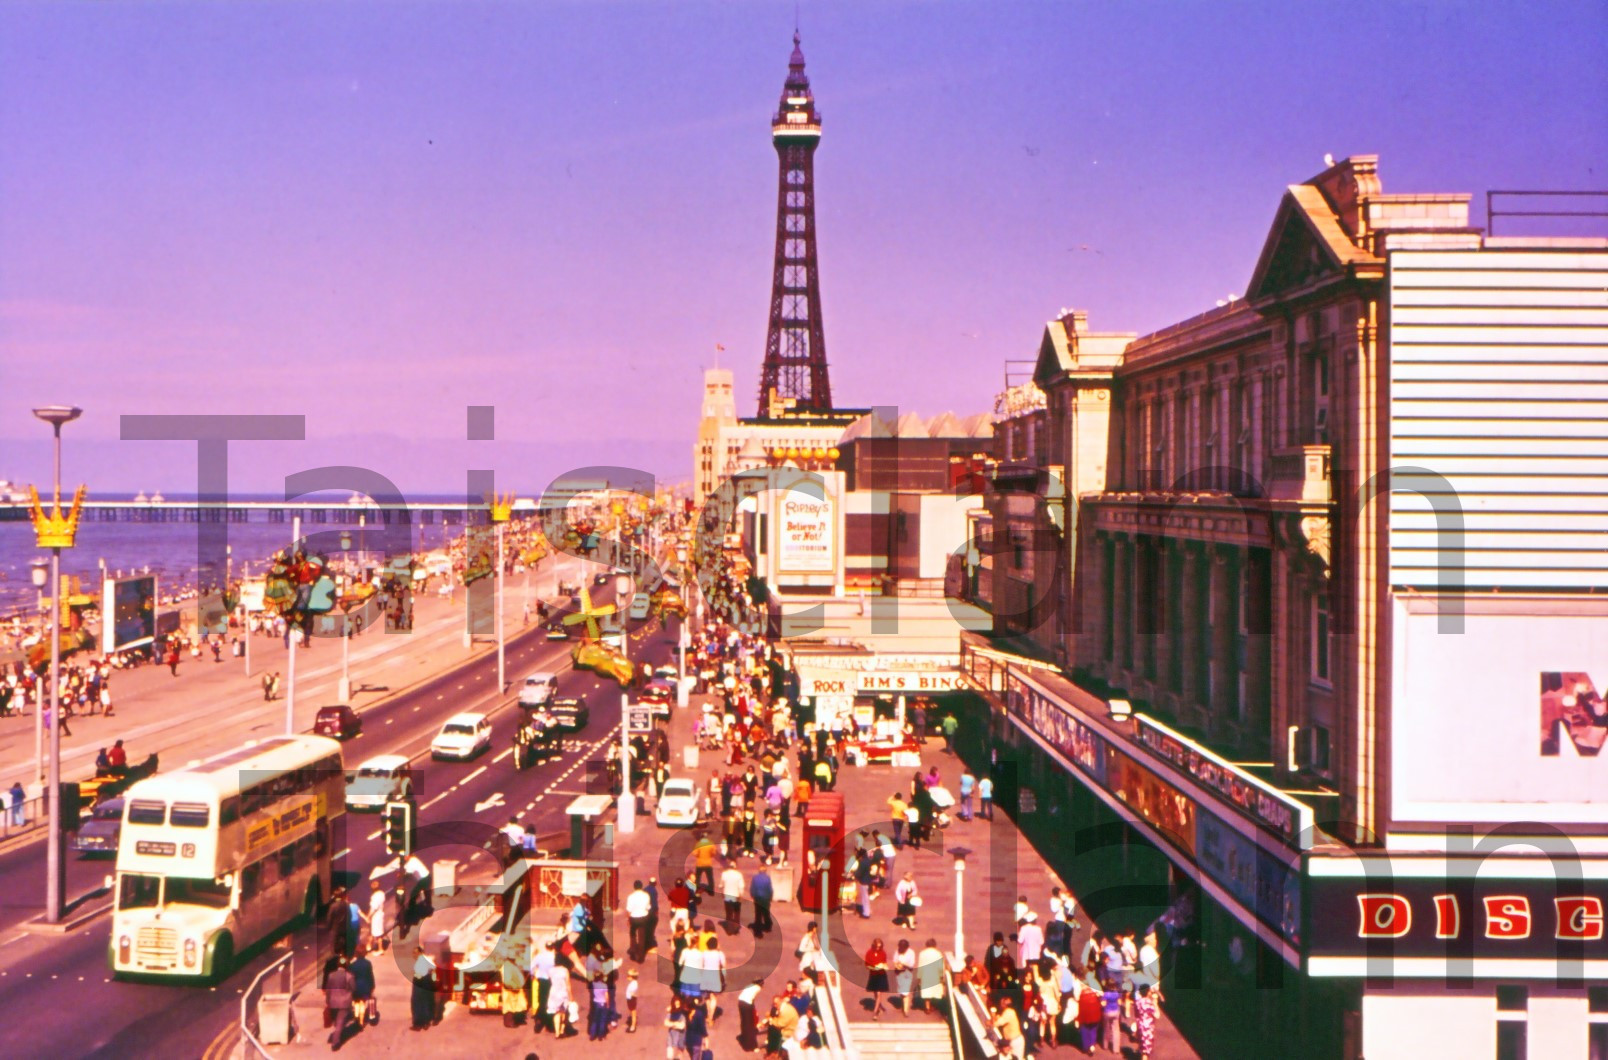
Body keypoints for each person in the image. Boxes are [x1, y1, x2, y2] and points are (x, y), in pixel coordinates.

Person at [324, 957, 356, 1050]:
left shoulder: (331, 975)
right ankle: (335, 1043)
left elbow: (328, 990)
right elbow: (353, 988)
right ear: (346, 965)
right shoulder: (349, 976)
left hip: (333, 1002)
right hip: (344, 1003)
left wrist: (327, 1001)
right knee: (340, 1022)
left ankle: (336, 1034)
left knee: (336, 1021)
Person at [863, 938, 891, 1020]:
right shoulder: (869, 953)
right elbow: (867, 965)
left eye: (880, 947)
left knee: (878, 994)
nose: (878, 948)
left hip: (881, 975)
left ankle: (875, 1012)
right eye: (877, 947)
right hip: (873, 974)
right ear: (874, 946)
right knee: (875, 993)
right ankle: (879, 1006)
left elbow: (884, 962)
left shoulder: (883, 953)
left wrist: (885, 966)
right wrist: (874, 967)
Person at [409, 946, 436, 1031]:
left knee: (417, 1002)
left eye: (415, 953)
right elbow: (434, 968)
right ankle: (426, 1021)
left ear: (420, 953)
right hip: (428, 982)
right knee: (427, 1001)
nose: (414, 955)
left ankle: (418, 1023)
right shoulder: (427, 959)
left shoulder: (420, 962)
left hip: (420, 982)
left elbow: (419, 974)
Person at [626, 879, 654, 961]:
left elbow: (629, 910)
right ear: (641, 887)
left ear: (634, 887)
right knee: (642, 936)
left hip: (634, 918)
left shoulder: (630, 897)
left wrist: (628, 920)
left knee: (632, 934)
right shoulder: (646, 896)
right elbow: (648, 907)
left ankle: (633, 951)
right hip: (643, 917)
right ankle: (641, 955)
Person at [350, 946, 376, 1028]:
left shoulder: (352, 965)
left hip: (356, 987)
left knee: (356, 1002)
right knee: (363, 1003)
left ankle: (356, 1015)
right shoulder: (368, 964)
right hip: (365, 987)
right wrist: (372, 986)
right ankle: (361, 1021)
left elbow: (351, 977)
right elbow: (370, 976)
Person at [1134, 982, 1161, 1060]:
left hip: (1140, 1025)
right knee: (1146, 1051)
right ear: (1147, 992)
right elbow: (1157, 1015)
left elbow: (1136, 1015)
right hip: (1148, 1028)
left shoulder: (1138, 1002)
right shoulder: (1149, 1003)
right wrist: (1155, 1003)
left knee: (1142, 1047)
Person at [737, 978, 763, 1051]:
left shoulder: (749, 985)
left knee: (744, 1022)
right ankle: (750, 1046)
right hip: (747, 1004)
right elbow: (752, 999)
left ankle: (744, 1038)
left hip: (740, 1002)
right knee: (749, 1024)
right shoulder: (758, 988)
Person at [893, 939, 916, 1017]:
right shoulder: (897, 951)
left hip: (907, 973)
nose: (901, 949)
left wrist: (903, 965)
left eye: (903, 948)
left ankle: (906, 1010)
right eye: (900, 947)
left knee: (906, 992)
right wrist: (897, 965)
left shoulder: (911, 953)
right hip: (899, 974)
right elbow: (895, 960)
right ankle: (903, 1005)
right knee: (901, 991)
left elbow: (911, 964)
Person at [749, 865, 774, 935]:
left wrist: (752, 895)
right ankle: (768, 926)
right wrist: (770, 897)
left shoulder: (755, 878)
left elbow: (752, 887)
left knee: (758, 913)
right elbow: (770, 889)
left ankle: (757, 929)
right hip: (766, 898)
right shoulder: (767, 878)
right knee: (766, 912)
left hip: (757, 898)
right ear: (765, 871)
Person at [625, 967, 640, 1033]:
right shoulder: (633, 983)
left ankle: (633, 1027)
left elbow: (633, 993)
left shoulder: (634, 984)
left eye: (628, 976)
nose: (627, 977)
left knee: (633, 1013)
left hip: (631, 1000)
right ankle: (632, 1024)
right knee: (632, 1011)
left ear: (632, 977)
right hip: (630, 999)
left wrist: (634, 995)